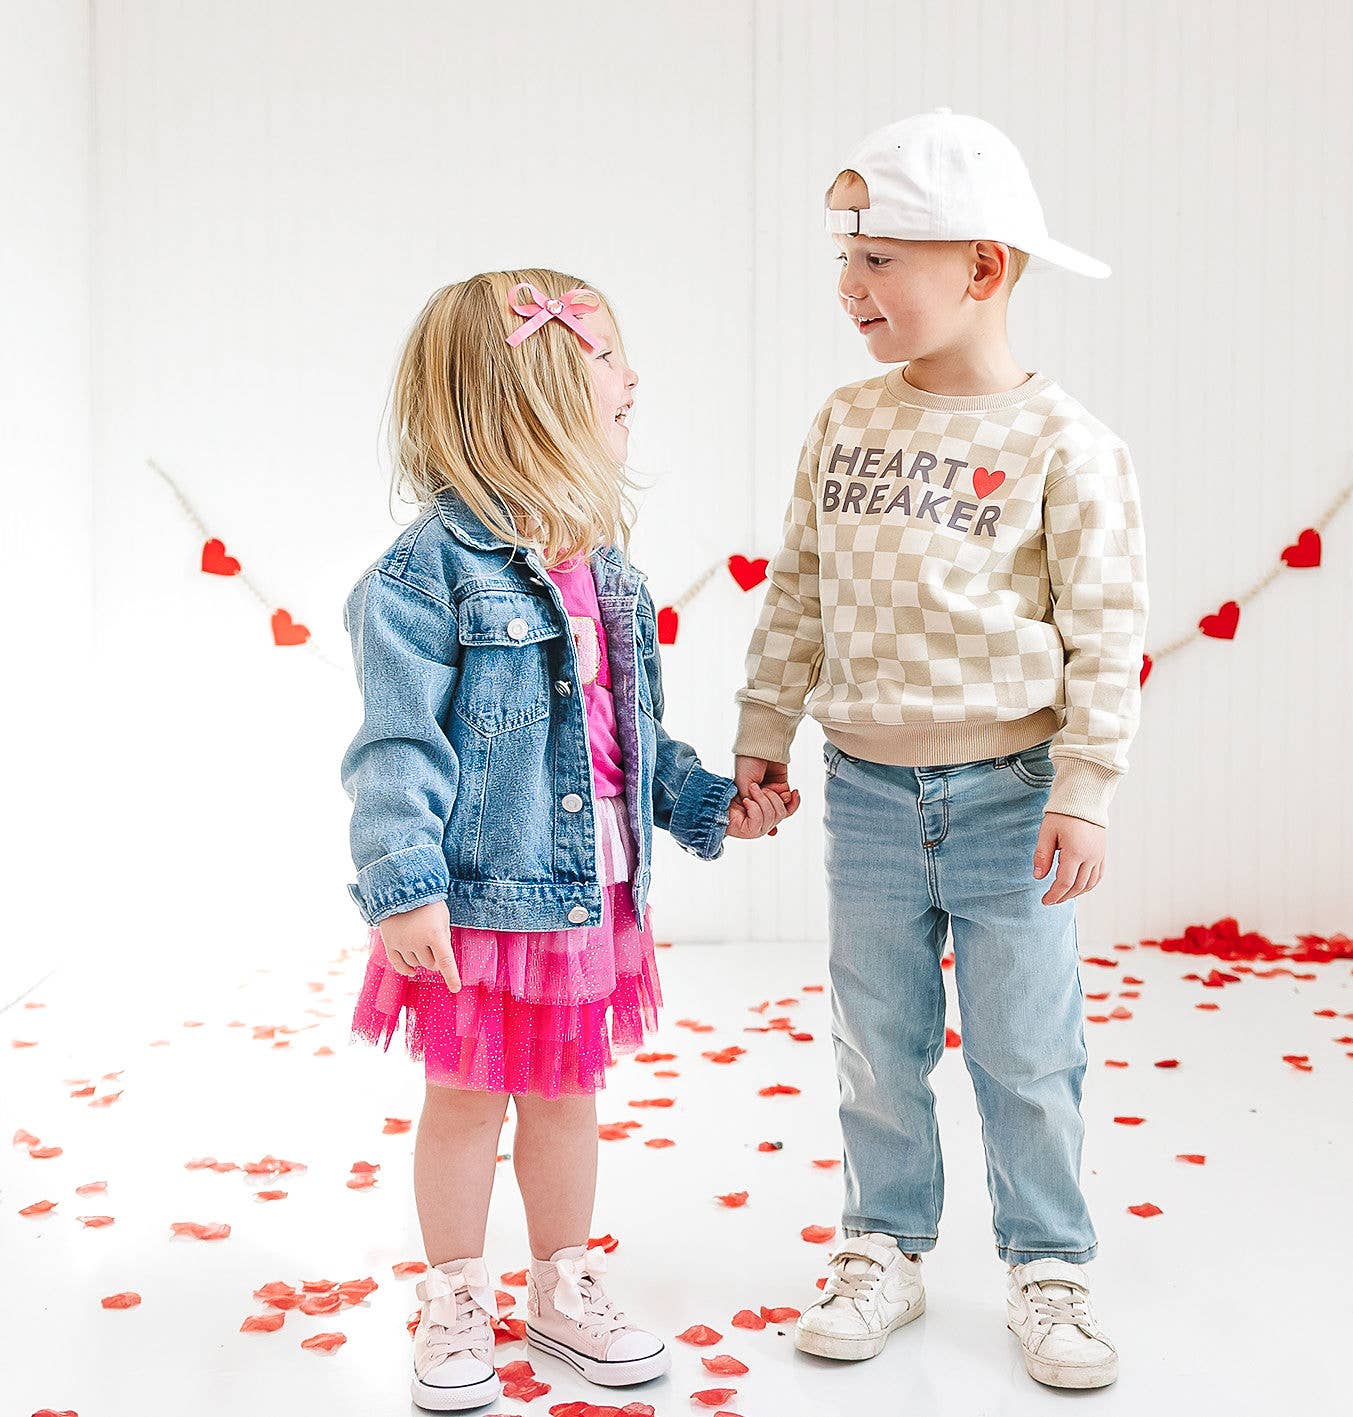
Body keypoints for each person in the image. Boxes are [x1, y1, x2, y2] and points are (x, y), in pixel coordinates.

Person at [733, 109, 1149, 1390]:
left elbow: (1104, 627)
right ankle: (882, 1245)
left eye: (882, 260)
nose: (850, 286)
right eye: (845, 259)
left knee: (1025, 1045)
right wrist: (764, 728)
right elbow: (796, 586)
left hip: (1009, 793)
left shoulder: (1061, 443)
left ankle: (1049, 1264)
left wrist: (1083, 789)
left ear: (982, 268)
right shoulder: (845, 421)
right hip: (863, 788)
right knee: (877, 1035)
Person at [341, 269, 798, 1410]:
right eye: (608, 363)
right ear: (534, 392)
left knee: (563, 1097)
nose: (631, 379)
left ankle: (560, 1284)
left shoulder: (611, 572)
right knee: (463, 1097)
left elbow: (621, 739)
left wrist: (703, 804)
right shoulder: (424, 574)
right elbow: (395, 746)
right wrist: (404, 887)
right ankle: (454, 1292)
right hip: (479, 900)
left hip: (585, 893)